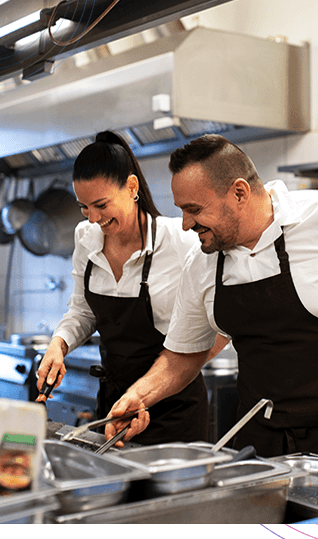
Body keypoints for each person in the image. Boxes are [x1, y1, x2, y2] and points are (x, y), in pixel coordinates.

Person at [106, 134, 318, 472]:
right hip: (263, 445)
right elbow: (183, 357)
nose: (186, 224)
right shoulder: (202, 261)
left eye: (194, 210)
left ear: (239, 192)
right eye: (182, 211)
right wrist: (139, 397)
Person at [35, 131, 209, 444]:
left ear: (131, 187)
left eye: (101, 204)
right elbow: (82, 311)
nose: (93, 218)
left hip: (173, 410)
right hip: (114, 407)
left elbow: (216, 324)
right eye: (84, 208)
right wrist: (58, 345)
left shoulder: (179, 241)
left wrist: (164, 380)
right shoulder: (85, 239)